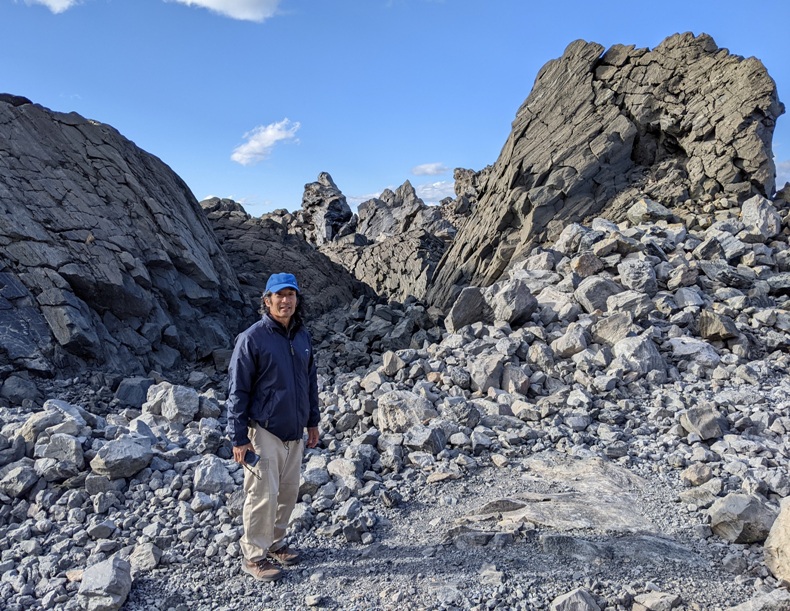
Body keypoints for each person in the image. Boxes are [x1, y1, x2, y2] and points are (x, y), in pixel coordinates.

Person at [226, 272, 320, 582]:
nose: (285, 300)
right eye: (279, 295)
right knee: (262, 495)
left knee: (288, 493)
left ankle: (276, 543)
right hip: (264, 430)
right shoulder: (252, 338)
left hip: (295, 432)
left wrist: (313, 423)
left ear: (296, 299)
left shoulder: (302, 336)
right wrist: (239, 438)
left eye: (291, 295)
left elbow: (310, 383)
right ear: (267, 300)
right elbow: (237, 391)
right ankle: (254, 555)